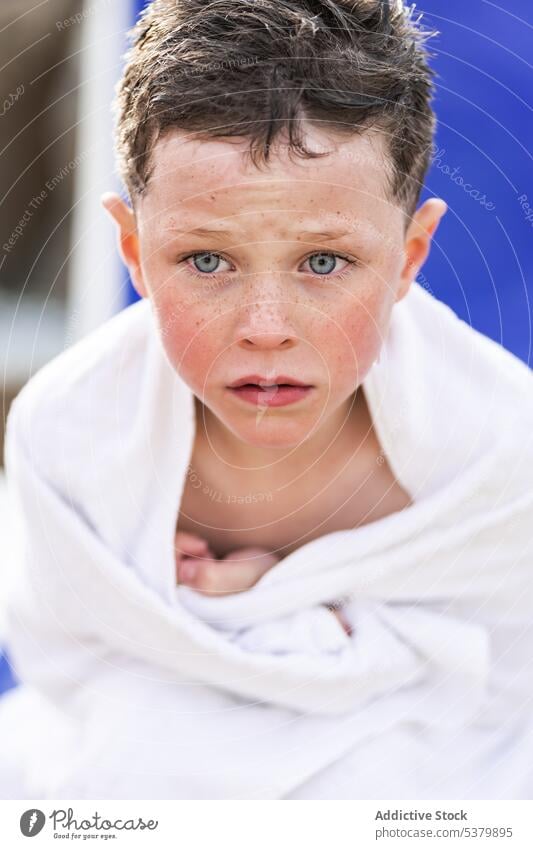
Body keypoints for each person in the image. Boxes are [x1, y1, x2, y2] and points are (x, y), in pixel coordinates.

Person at [1, 0, 532, 800]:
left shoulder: (498, 444)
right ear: (134, 252)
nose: (265, 328)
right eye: (207, 261)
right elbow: (72, 673)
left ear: (408, 257)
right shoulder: (70, 430)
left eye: (323, 261)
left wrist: (269, 619)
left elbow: (501, 693)